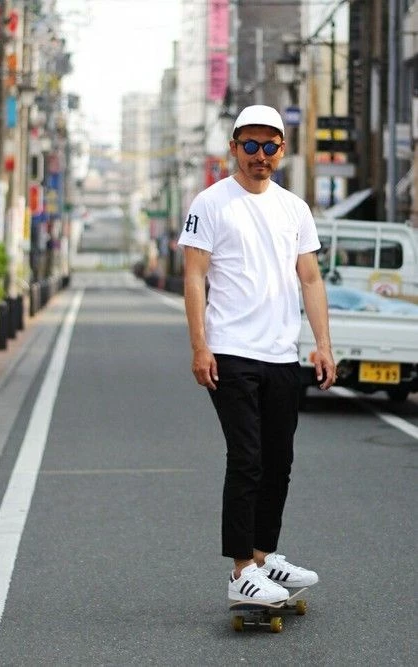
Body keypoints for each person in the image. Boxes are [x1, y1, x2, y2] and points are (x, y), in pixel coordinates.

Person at [178, 105, 337, 604]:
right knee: (247, 458)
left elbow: (310, 278)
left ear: (282, 150)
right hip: (230, 353)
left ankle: (264, 557)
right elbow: (195, 277)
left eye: (269, 146)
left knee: (278, 460)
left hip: (281, 355)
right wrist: (199, 345)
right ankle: (240, 570)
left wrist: (323, 345)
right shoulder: (211, 203)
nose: (259, 155)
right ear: (234, 147)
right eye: (250, 145)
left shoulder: (295, 208)